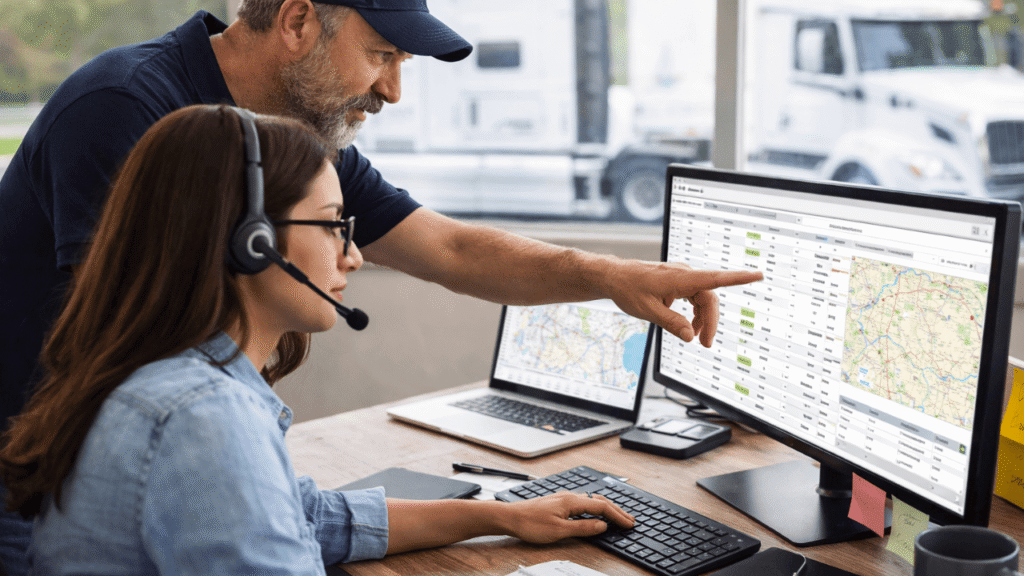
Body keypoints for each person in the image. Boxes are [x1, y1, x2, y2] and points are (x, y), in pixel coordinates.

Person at [0, 0, 762, 570]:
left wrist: (612, 277)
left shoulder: (290, 153)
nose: (394, 90)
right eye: (382, 53)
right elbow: (132, 347)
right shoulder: (128, 111)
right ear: (298, 20)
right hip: (33, 477)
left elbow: (453, 249)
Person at [0, 104, 637, 572]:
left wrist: (502, 516)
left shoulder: (166, 374)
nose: (353, 255)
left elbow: (311, 519)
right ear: (248, 240)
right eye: (334, 225)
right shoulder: (202, 416)